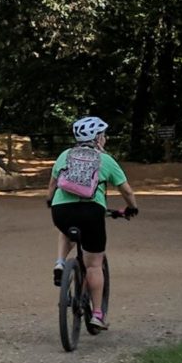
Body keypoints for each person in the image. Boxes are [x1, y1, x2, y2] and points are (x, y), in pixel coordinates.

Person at [50, 115, 139, 334]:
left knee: (65, 230)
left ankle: (61, 262)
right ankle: (98, 314)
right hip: (91, 212)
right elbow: (126, 190)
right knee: (94, 264)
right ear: (98, 138)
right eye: (104, 135)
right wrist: (131, 208)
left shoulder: (65, 155)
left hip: (61, 211)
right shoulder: (105, 160)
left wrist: (50, 200)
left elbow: (52, 184)